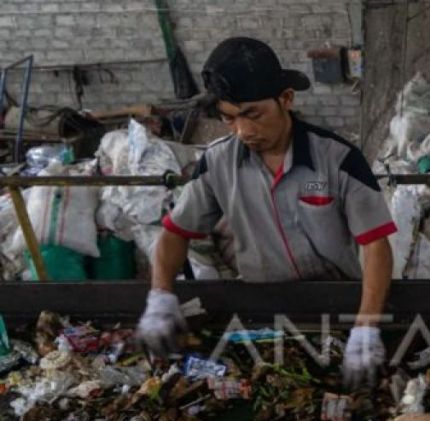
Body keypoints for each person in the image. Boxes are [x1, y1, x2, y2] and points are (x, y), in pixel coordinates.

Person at [136, 37, 395, 387]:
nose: (243, 131)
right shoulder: (217, 163)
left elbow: (376, 244)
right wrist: (160, 296)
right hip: (264, 314)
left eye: (252, 114)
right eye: (229, 118)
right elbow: (175, 232)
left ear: (286, 99)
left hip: (337, 305)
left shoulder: (338, 159)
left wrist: (365, 327)